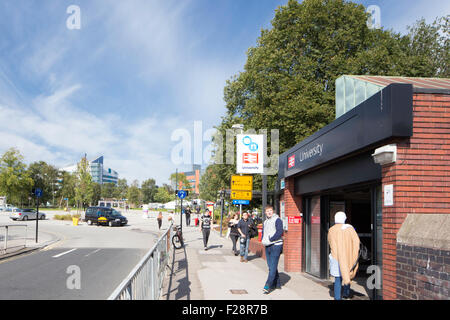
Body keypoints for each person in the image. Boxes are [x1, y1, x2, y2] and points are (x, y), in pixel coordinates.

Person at [328, 211, 360, 300]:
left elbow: (330, 242)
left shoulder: (331, 229)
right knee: (348, 274)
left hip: (335, 257)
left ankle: (337, 298)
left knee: (337, 279)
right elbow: (356, 242)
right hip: (347, 256)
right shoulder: (349, 228)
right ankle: (346, 292)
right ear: (344, 219)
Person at [261, 205, 284, 294]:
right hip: (268, 245)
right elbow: (264, 232)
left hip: (276, 245)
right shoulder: (265, 221)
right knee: (271, 266)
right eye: (267, 211)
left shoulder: (277, 220)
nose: (269, 212)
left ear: (273, 211)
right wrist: (264, 239)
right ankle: (277, 284)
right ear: (265, 212)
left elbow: (279, 232)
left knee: (273, 266)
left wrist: (271, 239)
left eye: (270, 210)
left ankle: (268, 285)